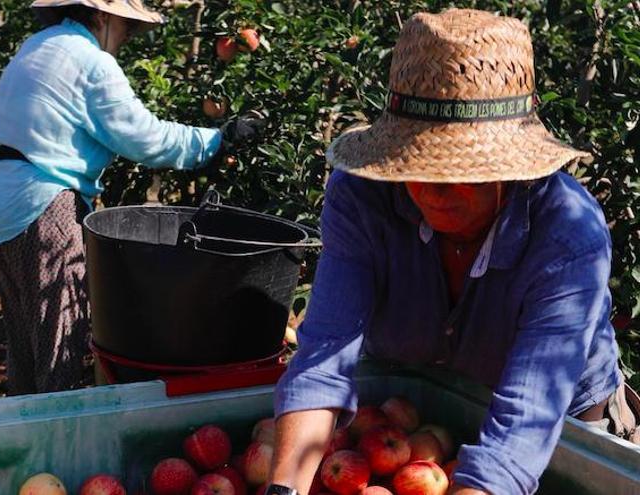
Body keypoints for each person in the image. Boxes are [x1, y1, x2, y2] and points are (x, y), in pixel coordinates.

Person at [268, 9, 640, 495]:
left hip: (564, 430)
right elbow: (324, 353)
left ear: (511, 170)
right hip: (423, 416)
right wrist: (284, 489)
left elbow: (523, 428)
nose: (430, 190)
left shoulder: (567, 235)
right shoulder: (363, 197)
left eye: (459, 172)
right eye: (412, 165)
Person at [0, 0, 263, 394]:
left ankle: (20, 439)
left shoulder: (38, 45)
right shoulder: (91, 62)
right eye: (126, 26)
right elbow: (143, 138)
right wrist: (216, 139)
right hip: (43, 203)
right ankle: (59, 443)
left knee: (27, 342)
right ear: (103, 15)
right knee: (61, 341)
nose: (127, 37)